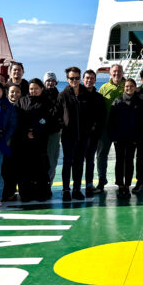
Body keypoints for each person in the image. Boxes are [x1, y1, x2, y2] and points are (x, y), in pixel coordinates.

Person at [14, 79, 53, 202]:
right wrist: (26, 132)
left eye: (36, 88)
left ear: (42, 89)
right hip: (24, 140)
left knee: (41, 167)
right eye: (31, 89)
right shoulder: (21, 101)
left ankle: (42, 192)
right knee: (25, 168)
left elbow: (49, 120)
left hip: (40, 140)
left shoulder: (47, 102)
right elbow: (16, 120)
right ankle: (26, 193)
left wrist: (36, 131)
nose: (33, 91)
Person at [109, 78, 143, 197]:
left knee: (129, 161)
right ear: (124, 87)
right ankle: (120, 184)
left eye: (131, 86)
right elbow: (111, 120)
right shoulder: (117, 101)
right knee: (120, 161)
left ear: (135, 87)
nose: (129, 88)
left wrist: (138, 137)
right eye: (127, 86)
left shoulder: (140, 102)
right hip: (119, 137)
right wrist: (113, 136)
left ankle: (127, 184)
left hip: (133, 138)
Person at [58, 67, 93, 202]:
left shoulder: (86, 95)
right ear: (67, 79)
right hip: (68, 136)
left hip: (83, 136)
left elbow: (92, 114)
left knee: (79, 163)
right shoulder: (63, 95)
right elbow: (58, 114)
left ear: (80, 78)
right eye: (72, 78)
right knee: (67, 163)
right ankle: (66, 190)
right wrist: (63, 126)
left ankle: (77, 189)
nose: (74, 80)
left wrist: (90, 128)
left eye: (77, 78)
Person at [94, 64, 125, 193]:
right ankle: (102, 180)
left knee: (121, 157)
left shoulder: (127, 86)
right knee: (101, 155)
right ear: (110, 73)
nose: (117, 74)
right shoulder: (104, 88)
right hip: (105, 127)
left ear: (122, 73)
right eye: (114, 71)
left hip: (121, 128)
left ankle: (120, 182)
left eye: (119, 71)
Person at [83, 69, 107, 195]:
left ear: (95, 80)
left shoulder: (99, 98)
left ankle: (89, 184)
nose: (89, 80)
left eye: (92, 78)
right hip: (79, 135)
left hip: (93, 135)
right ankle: (75, 186)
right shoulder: (77, 95)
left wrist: (97, 131)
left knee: (90, 160)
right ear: (83, 79)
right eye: (87, 78)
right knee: (76, 162)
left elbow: (102, 116)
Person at [2, 84, 25, 201]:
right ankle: (6, 192)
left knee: (16, 169)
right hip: (5, 143)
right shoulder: (2, 106)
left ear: (21, 94)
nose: (14, 94)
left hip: (19, 143)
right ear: (7, 93)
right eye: (12, 92)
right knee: (5, 169)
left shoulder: (23, 107)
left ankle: (14, 192)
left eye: (17, 92)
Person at [43, 71, 62, 197]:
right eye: (48, 80)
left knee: (52, 160)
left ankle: (48, 185)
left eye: (52, 81)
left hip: (54, 132)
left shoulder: (60, 96)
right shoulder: (39, 94)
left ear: (56, 82)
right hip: (40, 133)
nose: (50, 83)